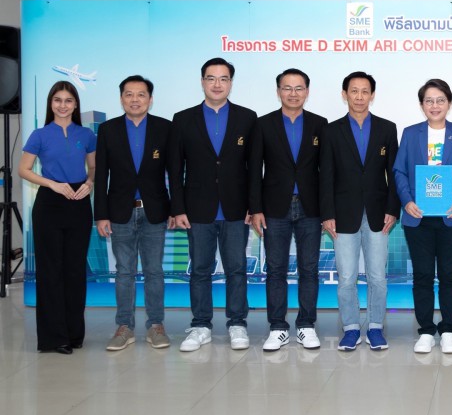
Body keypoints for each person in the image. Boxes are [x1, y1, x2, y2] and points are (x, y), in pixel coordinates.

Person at [169, 58, 258, 352]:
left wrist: (254, 205)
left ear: (231, 82)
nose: (217, 84)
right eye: (211, 78)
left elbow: (254, 168)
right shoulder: (183, 119)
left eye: (223, 78)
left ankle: (237, 323)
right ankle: (201, 325)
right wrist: (178, 208)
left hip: (236, 209)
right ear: (202, 81)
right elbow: (175, 169)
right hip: (197, 209)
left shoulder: (247, 118)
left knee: (236, 269)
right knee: (200, 270)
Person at [393, 79, 452, 354]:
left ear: (449, 103)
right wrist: (407, 201)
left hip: (451, 216)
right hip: (418, 217)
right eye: (429, 100)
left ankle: (448, 329)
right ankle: (426, 330)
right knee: (422, 275)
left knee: (449, 275)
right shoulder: (410, 134)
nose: (435, 105)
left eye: (440, 100)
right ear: (422, 105)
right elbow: (399, 171)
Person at [320, 71, 400, 351]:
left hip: (379, 213)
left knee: (378, 276)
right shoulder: (331, 130)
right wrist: (327, 213)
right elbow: (325, 175)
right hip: (342, 214)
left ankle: (375, 327)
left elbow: (394, 174)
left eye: (365, 91)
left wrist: (393, 209)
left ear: (372, 95)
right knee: (346, 277)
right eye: (354, 91)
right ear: (345, 95)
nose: (359, 96)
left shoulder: (387, 128)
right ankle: (351, 328)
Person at [249, 69, 327, 352]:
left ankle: (306, 325)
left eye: (299, 88)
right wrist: (255, 208)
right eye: (287, 88)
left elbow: (326, 171)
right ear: (278, 91)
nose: (293, 94)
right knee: (276, 269)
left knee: (309, 269)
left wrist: (327, 211)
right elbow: (254, 169)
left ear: (307, 91)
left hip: (311, 208)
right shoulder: (263, 124)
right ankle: (278, 327)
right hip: (274, 208)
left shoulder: (320, 124)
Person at [94, 75, 173, 351]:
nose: (135, 99)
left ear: (150, 99)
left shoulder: (165, 128)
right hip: (119, 212)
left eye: (141, 94)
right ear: (121, 99)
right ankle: (124, 327)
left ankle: (156, 326)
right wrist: (101, 214)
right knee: (124, 272)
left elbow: (175, 172)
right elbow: (101, 174)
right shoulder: (108, 129)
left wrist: (176, 210)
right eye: (129, 94)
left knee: (154, 271)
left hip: (155, 212)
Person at [18, 81, 96, 354]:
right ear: (51, 104)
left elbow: (93, 166)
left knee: (75, 269)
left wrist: (89, 183)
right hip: (49, 203)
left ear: (75, 105)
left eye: (68, 100)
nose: (63, 105)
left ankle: (74, 334)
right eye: (58, 100)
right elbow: (24, 169)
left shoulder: (86, 134)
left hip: (79, 202)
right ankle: (54, 338)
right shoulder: (40, 134)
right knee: (50, 270)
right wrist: (51, 184)